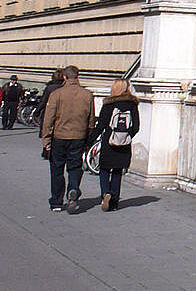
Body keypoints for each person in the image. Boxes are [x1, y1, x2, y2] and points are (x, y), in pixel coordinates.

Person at [40, 65, 94, 213]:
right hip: (78, 136)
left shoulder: (57, 94)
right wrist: (88, 139)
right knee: (75, 167)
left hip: (59, 136)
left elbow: (48, 119)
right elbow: (91, 121)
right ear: (78, 76)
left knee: (57, 169)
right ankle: (73, 190)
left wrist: (46, 140)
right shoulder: (87, 95)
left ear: (64, 77)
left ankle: (56, 202)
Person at [88, 78, 140, 212]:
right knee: (117, 172)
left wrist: (89, 141)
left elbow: (101, 125)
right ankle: (115, 203)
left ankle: (106, 193)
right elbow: (136, 126)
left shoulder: (109, 104)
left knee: (104, 170)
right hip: (124, 144)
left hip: (109, 142)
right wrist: (126, 136)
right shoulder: (132, 104)